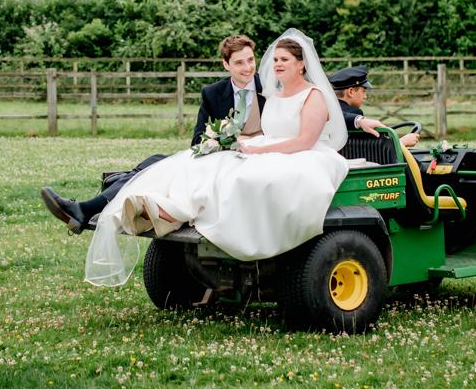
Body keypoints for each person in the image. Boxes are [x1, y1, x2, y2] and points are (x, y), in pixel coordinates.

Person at [84, 28, 349, 287]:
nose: (275, 64)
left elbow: (311, 133)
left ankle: (181, 214)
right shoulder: (274, 93)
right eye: (275, 59)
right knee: (206, 165)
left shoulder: (307, 93)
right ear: (226, 64)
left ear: (301, 64)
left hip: (303, 155)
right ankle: (167, 209)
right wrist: (234, 142)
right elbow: (212, 136)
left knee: (243, 177)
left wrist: (358, 119)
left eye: (284, 60)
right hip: (265, 148)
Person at [41, 35, 267, 234]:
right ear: (226, 64)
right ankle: (93, 203)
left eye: (250, 60)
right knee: (156, 163)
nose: (248, 68)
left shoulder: (268, 89)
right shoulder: (213, 93)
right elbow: (198, 139)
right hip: (214, 156)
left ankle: (90, 205)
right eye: (239, 62)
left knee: (160, 167)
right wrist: (218, 139)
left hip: (250, 160)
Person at [329, 65, 420, 148]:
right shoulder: (354, 113)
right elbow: (371, 151)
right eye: (363, 91)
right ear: (350, 92)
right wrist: (402, 142)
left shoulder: (328, 110)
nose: (365, 96)